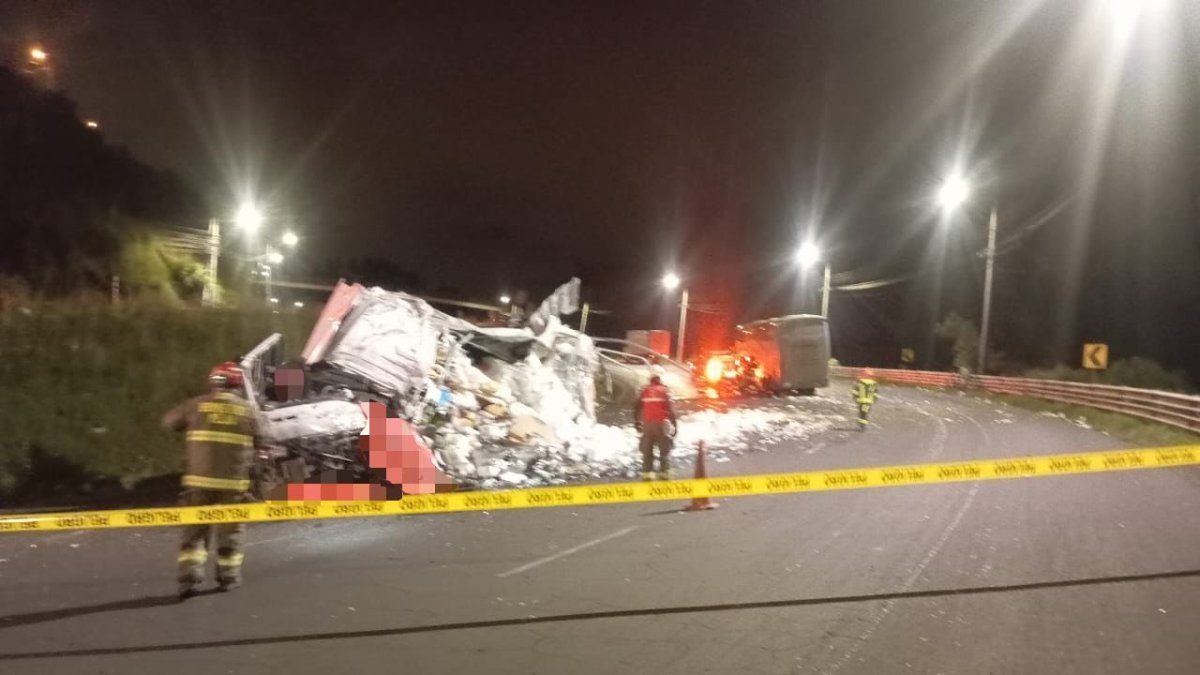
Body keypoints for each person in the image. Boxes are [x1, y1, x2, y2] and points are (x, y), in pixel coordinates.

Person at [163, 361, 257, 599]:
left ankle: (189, 577)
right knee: (231, 532)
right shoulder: (247, 410)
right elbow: (266, 434)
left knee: (194, 530)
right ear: (237, 384)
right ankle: (229, 577)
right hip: (232, 485)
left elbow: (169, 422)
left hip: (199, 482)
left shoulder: (195, 405)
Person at [634, 368, 677, 480]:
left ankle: (647, 474)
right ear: (659, 379)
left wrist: (637, 423)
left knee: (647, 451)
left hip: (647, 425)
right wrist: (675, 425)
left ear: (650, 379)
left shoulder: (645, 391)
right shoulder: (665, 390)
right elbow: (671, 409)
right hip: (662, 424)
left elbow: (636, 408)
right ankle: (664, 474)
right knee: (664, 451)